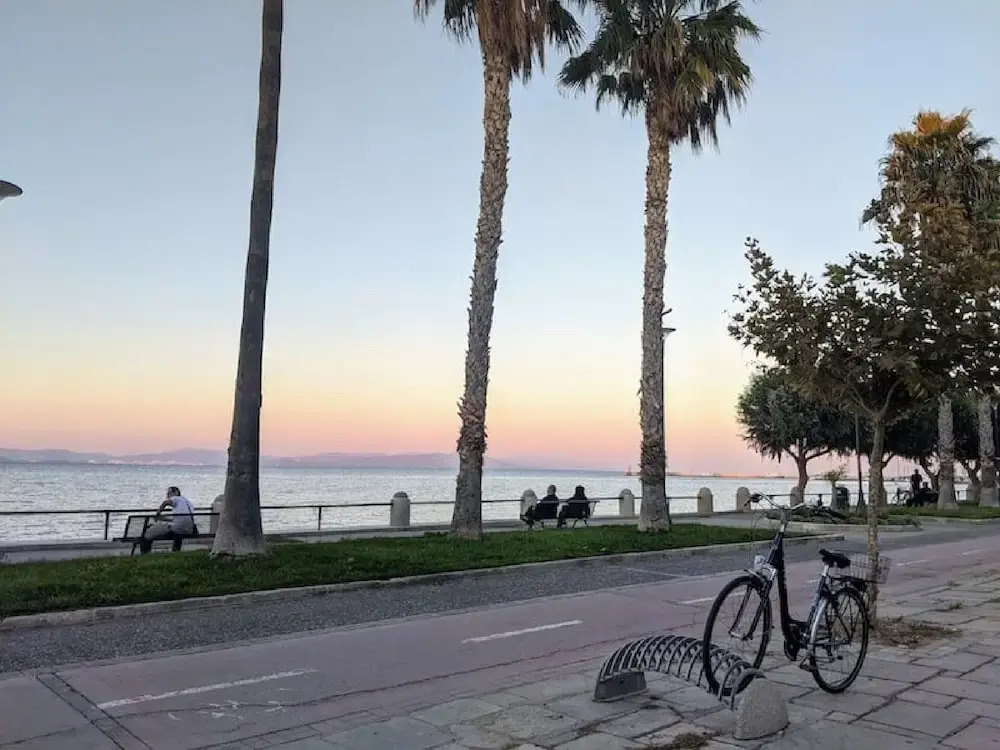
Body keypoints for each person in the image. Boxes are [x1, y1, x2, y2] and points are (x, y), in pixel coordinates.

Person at [139, 486, 197, 554]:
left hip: (177, 529)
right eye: (167, 493)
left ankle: (144, 553)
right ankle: (176, 551)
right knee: (172, 529)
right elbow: (180, 519)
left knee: (148, 532)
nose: (168, 495)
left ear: (176, 492)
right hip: (189, 530)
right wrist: (164, 519)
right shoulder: (188, 502)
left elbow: (165, 503)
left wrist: (158, 513)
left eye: (169, 493)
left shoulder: (176, 498)